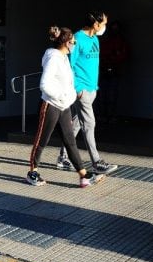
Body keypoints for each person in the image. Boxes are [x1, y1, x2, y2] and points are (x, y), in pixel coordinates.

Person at [27, 26, 104, 188]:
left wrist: (68, 99)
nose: (75, 45)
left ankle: (83, 175)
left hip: (64, 107)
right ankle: (32, 172)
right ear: (66, 42)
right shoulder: (53, 58)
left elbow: (66, 83)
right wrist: (61, 97)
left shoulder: (63, 57)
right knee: (42, 140)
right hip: (50, 105)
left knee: (70, 141)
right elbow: (44, 84)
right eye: (73, 42)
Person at [55, 11, 118, 175]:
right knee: (89, 124)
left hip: (91, 89)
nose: (104, 27)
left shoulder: (95, 39)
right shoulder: (76, 39)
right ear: (96, 25)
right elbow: (69, 64)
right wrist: (78, 89)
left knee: (75, 124)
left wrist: (92, 88)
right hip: (81, 91)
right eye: (103, 24)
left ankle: (63, 157)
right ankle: (96, 162)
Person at [98, 20, 129, 122]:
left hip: (115, 71)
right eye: (112, 29)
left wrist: (112, 59)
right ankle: (103, 115)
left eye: (116, 29)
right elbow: (101, 55)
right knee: (102, 96)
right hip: (104, 71)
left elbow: (122, 56)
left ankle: (111, 116)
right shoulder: (106, 41)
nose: (114, 31)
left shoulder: (122, 42)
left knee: (112, 95)